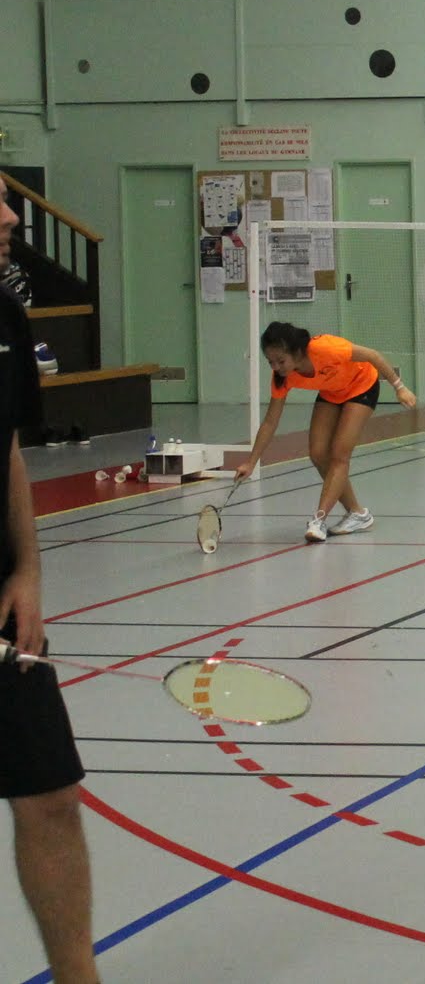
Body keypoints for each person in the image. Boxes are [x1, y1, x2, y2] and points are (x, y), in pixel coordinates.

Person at [0, 193, 100, 984]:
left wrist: (28, 571)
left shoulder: (5, 317)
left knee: (51, 796)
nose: (10, 219)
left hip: (4, 606)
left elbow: (6, 452)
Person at [238, 321, 416, 542]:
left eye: (281, 361)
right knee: (318, 454)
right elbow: (270, 422)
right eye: (270, 362)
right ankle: (358, 514)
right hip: (332, 392)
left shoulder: (326, 348)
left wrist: (400, 387)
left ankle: (318, 520)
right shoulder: (282, 378)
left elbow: (373, 356)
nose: (276, 367)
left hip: (362, 384)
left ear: (297, 352)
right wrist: (251, 462)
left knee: (340, 454)